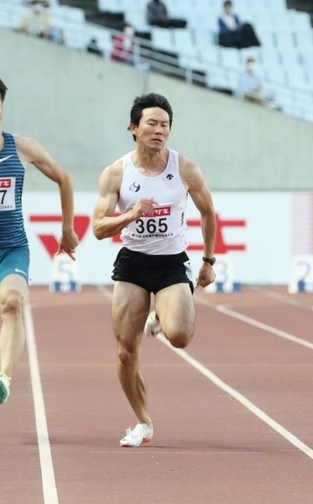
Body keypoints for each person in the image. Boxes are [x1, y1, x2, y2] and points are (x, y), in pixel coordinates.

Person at [92, 93, 216, 447]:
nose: (159, 130)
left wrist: (208, 261)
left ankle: (161, 317)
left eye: (165, 125)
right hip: (133, 263)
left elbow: (208, 212)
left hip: (171, 264)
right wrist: (131, 214)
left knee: (180, 336)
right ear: (134, 128)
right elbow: (99, 228)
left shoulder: (185, 169)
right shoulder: (117, 173)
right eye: (152, 124)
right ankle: (143, 421)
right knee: (125, 352)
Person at [0, 73, 78, 405]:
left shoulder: (22, 147)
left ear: (2, 107)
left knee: (12, 302)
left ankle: (4, 376)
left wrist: (66, 229)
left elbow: (64, 179)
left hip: (11, 248)